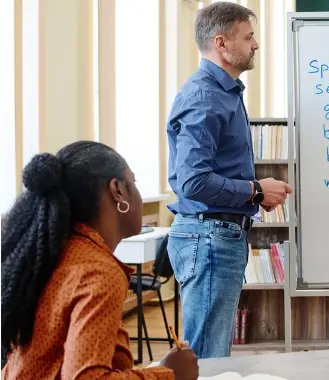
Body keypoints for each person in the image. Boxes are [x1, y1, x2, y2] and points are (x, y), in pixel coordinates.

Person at [1, 141, 199, 380]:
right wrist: (169, 373)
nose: (137, 193)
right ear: (117, 190)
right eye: (134, 183)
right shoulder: (97, 272)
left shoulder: (59, 254)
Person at [166, 1, 292, 359]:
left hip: (218, 234)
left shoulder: (225, 92)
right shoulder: (205, 97)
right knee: (207, 357)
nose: (255, 45)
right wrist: (255, 190)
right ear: (221, 43)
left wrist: (257, 194)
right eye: (248, 37)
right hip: (209, 237)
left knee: (213, 352)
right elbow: (192, 183)